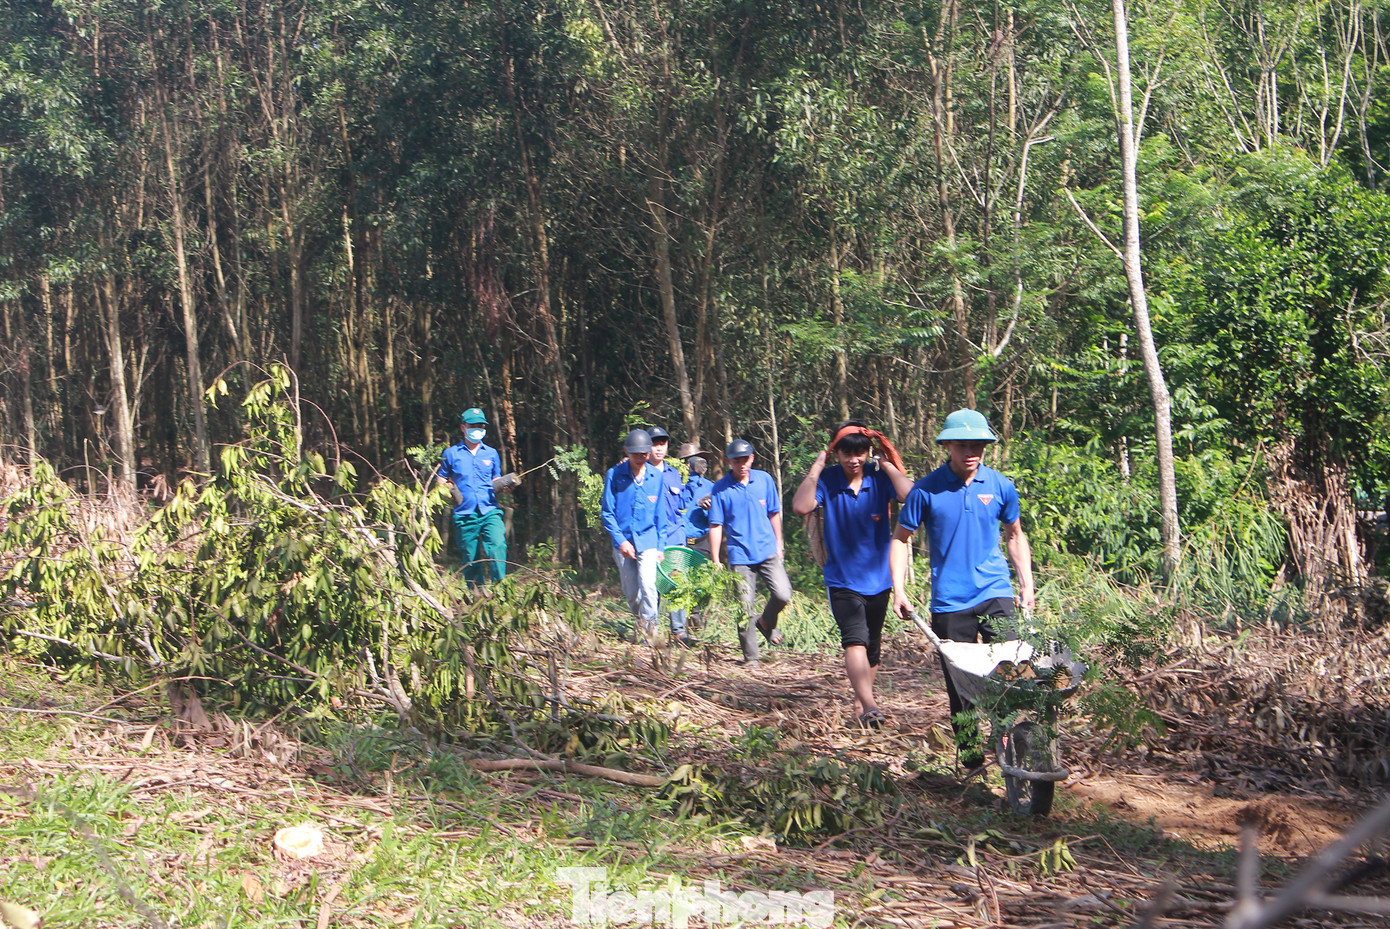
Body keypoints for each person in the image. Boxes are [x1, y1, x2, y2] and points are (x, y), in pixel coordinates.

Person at [889, 409, 1036, 766]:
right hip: (950, 601)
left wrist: (1027, 584)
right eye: (963, 445)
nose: (971, 451)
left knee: (1009, 671)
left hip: (995, 590)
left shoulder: (1001, 486)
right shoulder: (926, 490)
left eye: (979, 445)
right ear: (948, 445)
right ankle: (970, 756)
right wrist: (899, 590)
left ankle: (1007, 740)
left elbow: (1015, 535)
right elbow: (900, 540)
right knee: (962, 685)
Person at [792, 421, 914, 729]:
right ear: (837, 454)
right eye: (847, 453)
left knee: (872, 644)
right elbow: (801, 505)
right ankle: (871, 704)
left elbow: (909, 496)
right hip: (842, 578)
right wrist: (816, 468)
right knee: (855, 639)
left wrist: (887, 466)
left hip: (879, 578)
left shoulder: (878, 478)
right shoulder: (829, 480)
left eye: (860, 452)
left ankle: (862, 703)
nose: (854, 459)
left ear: (868, 452)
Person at [708, 439, 790, 669]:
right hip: (740, 556)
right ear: (728, 461)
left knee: (783, 594)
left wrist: (779, 543)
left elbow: (774, 513)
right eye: (736, 460)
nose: (741, 464)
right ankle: (751, 657)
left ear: (752, 458)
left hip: (767, 550)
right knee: (744, 608)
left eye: (745, 459)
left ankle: (765, 622)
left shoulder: (764, 480)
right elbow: (716, 525)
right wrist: (716, 559)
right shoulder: (720, 488)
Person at [601, 429, 669, 643]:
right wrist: (621, 541)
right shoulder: (615, 475)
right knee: (631, 592)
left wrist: (661, 546)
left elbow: (660, 514)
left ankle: (650, 632)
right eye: (635, 454)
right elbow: (607, 512)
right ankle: (641, 621)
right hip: (623, 542)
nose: (640, 458)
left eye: (644, 454)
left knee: (648, 585)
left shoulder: (656, 477)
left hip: (648, 539)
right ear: (626, 452)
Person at [437, 408, 510, 586]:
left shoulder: (491, 453)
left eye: (481, 425)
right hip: (464, 513)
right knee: (470, 556)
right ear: (463, 427)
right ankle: (476, 595)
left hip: (489, 509)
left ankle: (499, 590)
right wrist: (448, 491)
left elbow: (496, 478)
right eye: (473, 425)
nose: (477, 428)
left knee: (498, 545)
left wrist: (505, 485)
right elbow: (441, 479)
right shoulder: (451, 453)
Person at [646, 427, 694, 646]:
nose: (659, 448)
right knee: (651, 584)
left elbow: (681, 505)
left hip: (675, 537)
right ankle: (650, 631)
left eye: (663, 443)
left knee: (677, 583)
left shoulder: (674, 474)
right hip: (649, 539)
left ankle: (679, 632)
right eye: (655, 443)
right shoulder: (639, 472)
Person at [675, 443, 714, 558]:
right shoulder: (674, 485)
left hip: (702, 543)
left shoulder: (710, 487)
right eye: (687, 461)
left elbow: (719, 518)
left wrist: (710, 509)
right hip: (678, 542)